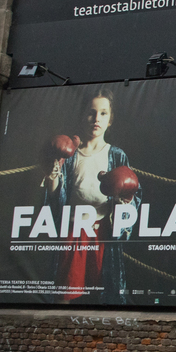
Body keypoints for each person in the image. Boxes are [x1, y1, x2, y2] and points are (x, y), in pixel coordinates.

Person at [43, 88, 138, 304]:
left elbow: (130, 200)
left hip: (102, 231)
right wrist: (54, 169)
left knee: (101, 296)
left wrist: (125, 199)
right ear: (82, 115)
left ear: (110, 119)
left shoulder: (117, 155)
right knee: (63, 297)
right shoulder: (72, 152)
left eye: (103, 113)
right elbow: (55, 197)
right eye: (91, 112)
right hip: (74, 230)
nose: (96, 119)